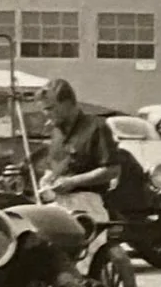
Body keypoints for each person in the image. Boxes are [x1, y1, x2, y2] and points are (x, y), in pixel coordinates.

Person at [35, 79, 119, 228]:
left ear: (68, 103)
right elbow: (53, 167)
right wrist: (47, 179)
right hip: (59, 205)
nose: (46, 114)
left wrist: (73, 182)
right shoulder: (56, 132)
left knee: (91, 250)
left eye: (50, 108)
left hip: (88, 206)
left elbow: (112, 170)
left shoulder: (96, 127)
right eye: (44, 110)